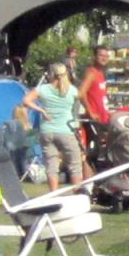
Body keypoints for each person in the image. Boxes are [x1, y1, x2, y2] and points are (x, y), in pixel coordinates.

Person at [23, 63, 83, 191]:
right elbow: (81, 101)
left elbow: (26, 100)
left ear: (51, 74)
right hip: (66, 130)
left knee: (51, 166)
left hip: (47, 130)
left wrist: (41, 110)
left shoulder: (43, 89)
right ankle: (78, 193)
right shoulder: (72, 90)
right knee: (75, 165)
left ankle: (53, 195)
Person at [78, 45, 111, 125]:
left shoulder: (100, 73)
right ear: (95, 57)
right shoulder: (91, 73)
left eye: (106, 56)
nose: (104, 58)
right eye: (101, 55)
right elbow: (81, 93)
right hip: (94, 119)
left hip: (103, 117)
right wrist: (90, 111)